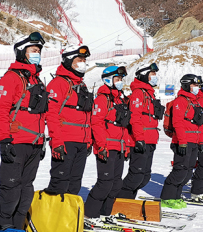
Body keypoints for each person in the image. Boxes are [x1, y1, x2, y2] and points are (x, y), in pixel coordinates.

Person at [0, 32, 48, 229]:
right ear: (22, 52)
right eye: (33, 50)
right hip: (15, 143)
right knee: (10, 191)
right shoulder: (11, 78)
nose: (37, 54)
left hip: (34, 143)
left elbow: (41, 115)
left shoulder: (38, 81)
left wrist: (42, 141)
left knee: (26, 192)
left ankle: (16, 231)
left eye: (39, 51)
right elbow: (0, 111)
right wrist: (5, 140)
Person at [85, 66, 132, 221]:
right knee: (105, 183)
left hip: (119, 147)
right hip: (106, 147)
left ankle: (106, 213)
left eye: (121, 80)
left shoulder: (120, 99)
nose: (120, 82)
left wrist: (126, 146)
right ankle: (89, 213)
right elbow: (96, 123)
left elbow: (123, 126)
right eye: (117, 79)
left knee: (116, 184)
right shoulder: (102, 99)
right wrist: (101, 146)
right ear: (108, 79)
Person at [45, 45, 93, 195]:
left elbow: (88, 115)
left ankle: (68, 216)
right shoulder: (58, 83)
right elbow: (51, 114)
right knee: (60, 182)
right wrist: (57, 141)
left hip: (81, 142)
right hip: (65, 142)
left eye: (84, 60)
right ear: (68, 60)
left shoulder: (81, 84)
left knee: (75, 184)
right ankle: (52, 216)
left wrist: (89, 140)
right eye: (79, 59)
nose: (83, 63)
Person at [117, 63, 163, 199]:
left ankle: (129, 201)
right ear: (144, 75)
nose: (154, 77)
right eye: (152, 74)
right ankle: (120, 200)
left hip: (150, 139)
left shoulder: (150, 94)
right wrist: (139, 139)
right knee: (136, 175)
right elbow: (135, 118)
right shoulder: (138, 93)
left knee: (145, 176)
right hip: (140, 140)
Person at [160, 74, 203, 209]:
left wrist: (201, 141)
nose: (197, 88)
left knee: (187, 172)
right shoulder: (180, 101)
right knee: (180, 170)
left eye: (197, 85)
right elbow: (178, 122)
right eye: (194, 85)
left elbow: (200, 125)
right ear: (186, 85)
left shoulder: (195, 102)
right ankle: (167, 197)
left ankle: (176, 195)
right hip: (183, 141)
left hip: (194, 141)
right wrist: (182, 141)